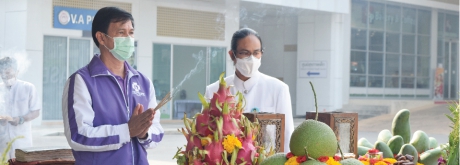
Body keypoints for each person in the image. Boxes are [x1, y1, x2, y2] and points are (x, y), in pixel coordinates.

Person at [61, 7, 163, 165]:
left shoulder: (143, 81)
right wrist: (127, 131)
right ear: (101, 38)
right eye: (121, 33)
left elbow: (158, 131)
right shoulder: (82, 81)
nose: (128, 39)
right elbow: (78, 136)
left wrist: (144, 134)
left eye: (131, 33)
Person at [204, 28, 294, 152]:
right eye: (245, 53)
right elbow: (204, 135)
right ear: (232, 55)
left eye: (256, 53)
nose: (251, 59)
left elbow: (287, 136)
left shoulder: (278, 89)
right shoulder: (214, 91)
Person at [0, 57, 40, 159]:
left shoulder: (28, 88)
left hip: (21, 139)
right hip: (2, 140)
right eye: (3, 75)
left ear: (17, 72)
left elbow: (36, 112)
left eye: (9, 73)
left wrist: (21, 119)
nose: (7, 77)